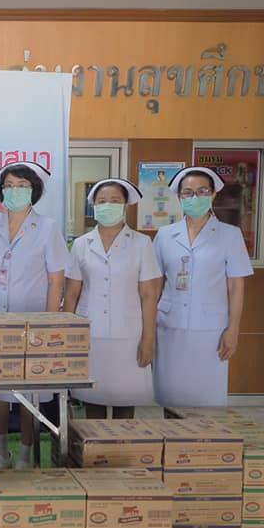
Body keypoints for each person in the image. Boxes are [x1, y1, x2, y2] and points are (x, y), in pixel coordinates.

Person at [0, 161, 69, 469]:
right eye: (9, 185)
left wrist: (49, 325)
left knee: (29, 392)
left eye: (22, 186)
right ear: (1, 190)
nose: (15, 191)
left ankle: (25, 455)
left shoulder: (48, 228)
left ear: (34, 191)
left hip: (33, 323)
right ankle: (2, 452)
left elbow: (56, 281)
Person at [153, 166, 253, 407]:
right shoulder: (165, 235)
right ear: (179, 197)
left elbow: (236, 287)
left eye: (202, 191)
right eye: (187, 193)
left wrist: (233, 330)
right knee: (171, 395)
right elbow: (154, 284)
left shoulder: (230, 235)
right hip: (169, 326)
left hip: (211, 330)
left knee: (206, 399)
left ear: (213, 194)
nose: (194, 197)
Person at [64, 178, 162, 417]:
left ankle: (122, 443)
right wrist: (67, 336)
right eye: (102, 201)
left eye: (115, 200)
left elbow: (149, 295)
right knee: (92, 399)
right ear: (94, 206)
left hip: (129, 335)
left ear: (125, 205)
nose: (107, 205)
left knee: (125, 402)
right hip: (90, 334)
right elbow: (72, 293)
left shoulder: (142, 244)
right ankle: (93, 443)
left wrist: (148, 339)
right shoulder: (81, 244)